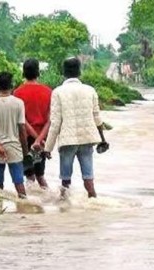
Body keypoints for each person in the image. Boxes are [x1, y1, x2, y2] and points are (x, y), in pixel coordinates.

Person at [44, 57, 108, 198]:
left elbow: (55, 123)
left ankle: (64, 211)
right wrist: (102, 140)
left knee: (65, 181)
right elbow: (97, 118)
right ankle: (94, 205)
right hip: (87, 139)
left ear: (64, 72)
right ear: (79, 71)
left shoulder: (57, 92)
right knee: (88, 179)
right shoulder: (90, 90)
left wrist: (48, 148)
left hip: (67, 141)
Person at [13, 58, 52, 188]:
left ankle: (27, 205)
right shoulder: (48, 92)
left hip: (25, 139)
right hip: (43, 140)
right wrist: (40, 140)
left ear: (23, 73)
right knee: (40, 175)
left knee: (29, 175)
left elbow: (21, 120)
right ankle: (49, 203)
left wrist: (35, 138)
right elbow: (50, 120)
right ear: (38, 72)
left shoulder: (17, 93)